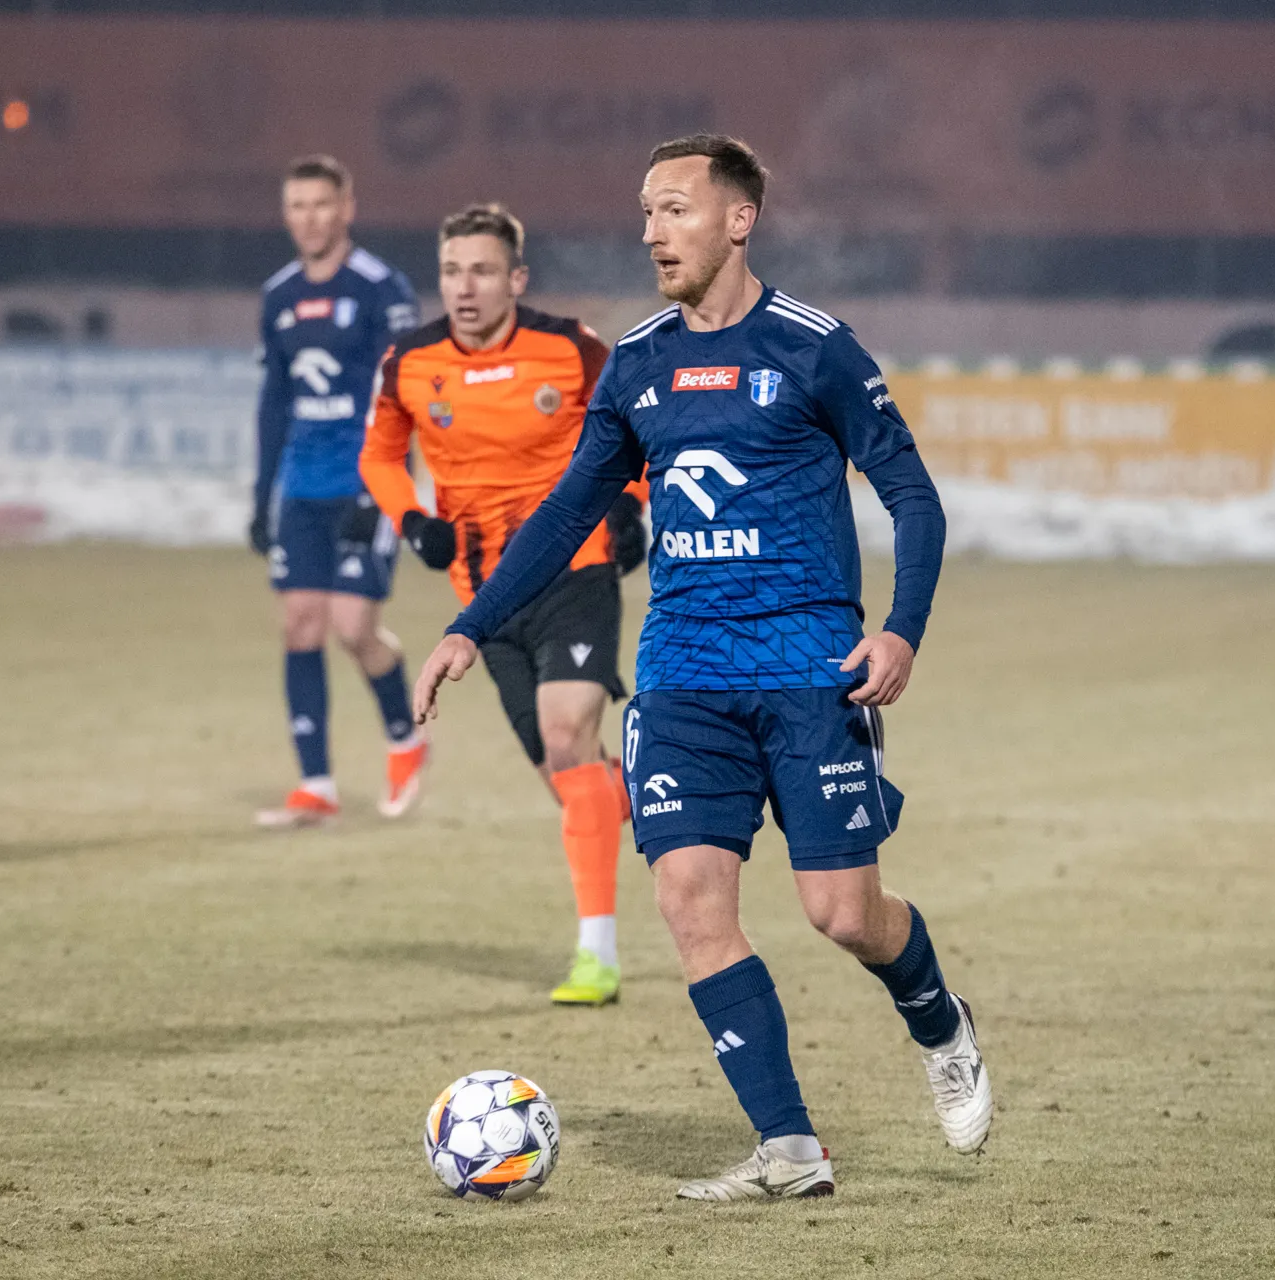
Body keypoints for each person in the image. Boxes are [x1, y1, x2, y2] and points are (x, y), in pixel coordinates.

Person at [411, 135, 990, 1199]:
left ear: (739, 219)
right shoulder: (638, 363)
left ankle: (938, 1019)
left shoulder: (815, 348)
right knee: (689, 900)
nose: (652, 231)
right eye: (645, 211)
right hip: (681, 673)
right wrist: (469, 625)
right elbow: (569, 513)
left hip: (811, 667)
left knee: (842, 913)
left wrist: (901, 628)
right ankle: (790, 1148)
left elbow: (914, 496)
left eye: (674, 208)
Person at [360, 204, 649, 1006]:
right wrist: (411, 519)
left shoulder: (571, 348)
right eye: (452, 271)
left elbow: (639, 432)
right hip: (484, 599)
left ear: (516, 279)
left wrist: (631, 504)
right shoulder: (409, 361)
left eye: (483, 271)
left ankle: (596, 954)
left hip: (577, 569)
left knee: (565, 737)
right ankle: (657, 786)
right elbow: (380, 456)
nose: (465, 287)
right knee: (569, 778)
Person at [251, 155, 427, 829]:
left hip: (367, 483)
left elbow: (402, 396)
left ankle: (405, 738)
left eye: (321, 204)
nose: (310, 218)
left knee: (354, 628)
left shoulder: (382, 289)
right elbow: (274, 401)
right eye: (297, 206)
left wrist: (379, 491)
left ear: (347, 208)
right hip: (301, 486)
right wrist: (261, 496)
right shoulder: (278, 295)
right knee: (300, 624)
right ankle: (316, 785)